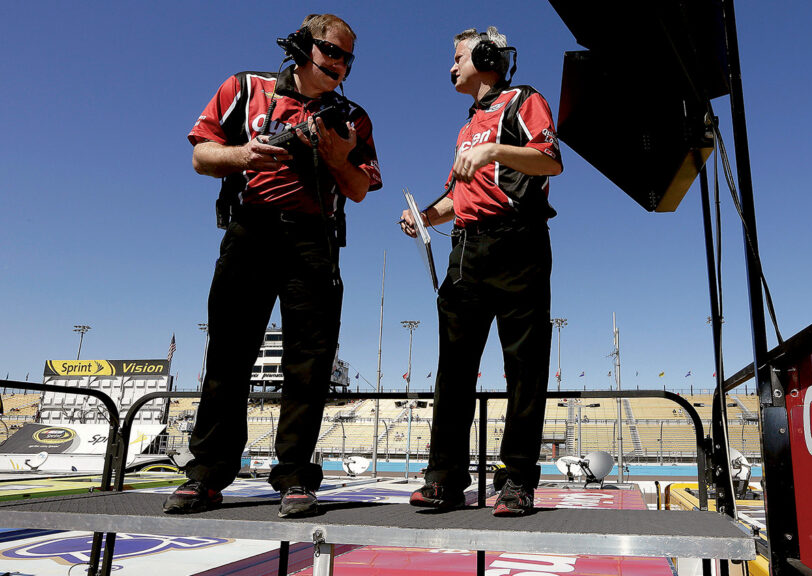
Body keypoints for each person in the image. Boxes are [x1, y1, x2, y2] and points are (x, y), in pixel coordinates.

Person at [164, 13, 382, 518]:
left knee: (310, 362)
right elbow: (201, 157)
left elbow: (358, 189)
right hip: (251, 230)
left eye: (349, 57)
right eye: (333, 51)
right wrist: (244, 155)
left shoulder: (352, 116)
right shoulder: (245, 86)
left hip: (314, 239)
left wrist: (335, 156)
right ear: (304, 46)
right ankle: (207, 474)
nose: (341, 64)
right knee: (228, 353)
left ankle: (294, 477)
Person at [400, 26, 562, 517]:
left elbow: (549, 160)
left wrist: (492, 150)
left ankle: (517, 481)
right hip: (466, 250)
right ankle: (444, 478)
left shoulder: (523, 100)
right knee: (453, 370)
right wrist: (425, 216)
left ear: (488, 56)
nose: (451, 67)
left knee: (525, 370)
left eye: (458, 57)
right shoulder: (467, 125)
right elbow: (458, 194)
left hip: (518, 243)